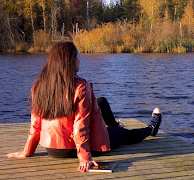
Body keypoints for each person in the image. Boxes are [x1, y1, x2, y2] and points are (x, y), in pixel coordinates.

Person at [6, 41, 162, 172]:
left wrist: (27, 152)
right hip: (78, 148)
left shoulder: (38, 86)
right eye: (78, 56)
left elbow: (35, 124)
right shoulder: (81, 86)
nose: (80, 59)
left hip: (52, 149)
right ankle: (150, 129)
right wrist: (85, 158)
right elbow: (81, 125)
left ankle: (114, 125)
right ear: (70, 61)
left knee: (100, 102)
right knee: (123, 134)